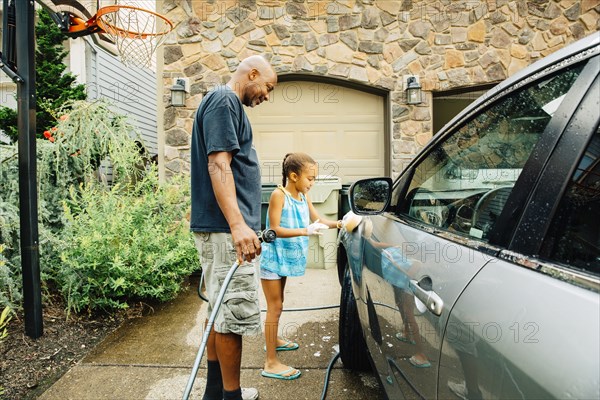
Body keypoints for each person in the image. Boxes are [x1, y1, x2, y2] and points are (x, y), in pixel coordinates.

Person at [190, 55, 277, 400]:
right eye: (267, 87)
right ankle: (231, 396)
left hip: (222, 229)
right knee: (233, 314)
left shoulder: (223, 105)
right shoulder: (225, 100)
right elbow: (218, 164)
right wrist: (239, 225)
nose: (267, 95)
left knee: (219, 312)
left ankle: (216, 394)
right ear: (252, 73)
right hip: (228, 232)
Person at [259, 152, 342, 380]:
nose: (312, 183)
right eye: (310, 178)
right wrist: (305, 231)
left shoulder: (304, 197)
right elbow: (274, 229)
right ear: (294, 176)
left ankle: (273, 340)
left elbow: (317, 220)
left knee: (280, 303)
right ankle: (271, 362)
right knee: (274, 307)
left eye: (314, 179)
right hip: (273, 260)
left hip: (286, 259)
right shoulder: (279, 195)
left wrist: (340, 223)